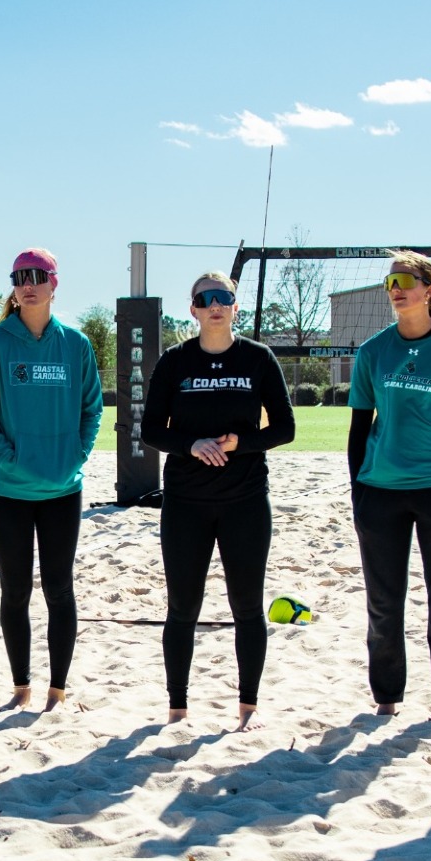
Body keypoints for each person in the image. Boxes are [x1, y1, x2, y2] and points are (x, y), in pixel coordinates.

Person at [142, 271, 295, 732]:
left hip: (245, 499)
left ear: (234, 306)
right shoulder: (174, 361)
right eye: (205, 299)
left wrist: (237, 445)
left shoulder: (258, 358)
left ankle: (247, 708)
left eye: (223, 298)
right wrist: (190, 445)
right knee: (182, 608)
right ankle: (177, 709)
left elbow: (284, 429)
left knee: (246, 606)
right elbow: (151, 429)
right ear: (192, 309)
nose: (215, 306)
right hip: (186, 501)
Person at [0, 249, 103, 713]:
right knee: (15, 590)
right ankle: (20, 687)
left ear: (54, 284)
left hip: (63, 490)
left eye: (37, 276)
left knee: (60, 589)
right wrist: (11, 459)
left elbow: (92, 409)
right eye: (20, 277)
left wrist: (75, 456)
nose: (28, 284)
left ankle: (57, 691)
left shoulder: (76, 344)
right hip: (7, 491)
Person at [347, 251, 431, 722]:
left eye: (405, 280)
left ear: (430, 289)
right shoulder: (373, 351)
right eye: (390, 283)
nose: (396, 289)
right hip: (379, 491)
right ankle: (386, 700)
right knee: (384, 605)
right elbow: (358, 427)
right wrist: (358, 490)